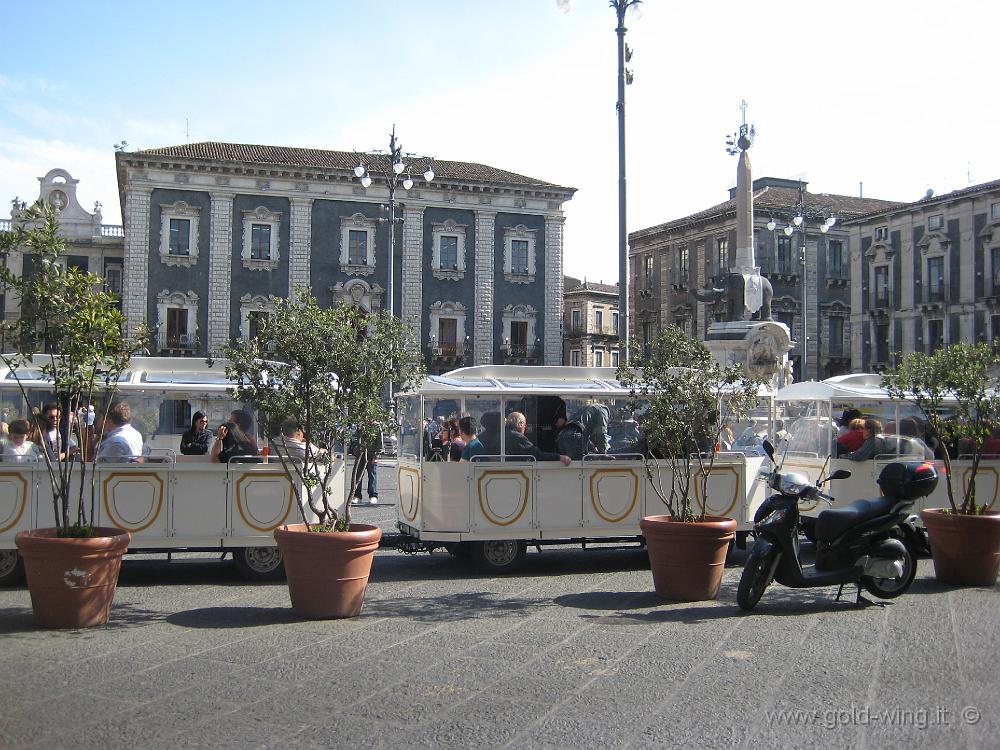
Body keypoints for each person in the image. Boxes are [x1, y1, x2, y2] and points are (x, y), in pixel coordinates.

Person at [504, 411, 571, 465]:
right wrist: (560, 457)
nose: (525, 428)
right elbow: (537, 454)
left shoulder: (501, 434)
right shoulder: (518, 437)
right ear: (521, 424)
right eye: (525, 425)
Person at [350, 428, 379, 505]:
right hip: (361, 453)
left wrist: (376, 454)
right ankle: (357, 496)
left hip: (372, 454)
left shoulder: (376, 426)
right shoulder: (360, 426)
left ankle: (373, 496)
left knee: (372, 475)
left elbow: (380, 442)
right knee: (358, 475)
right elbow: (355, 438)